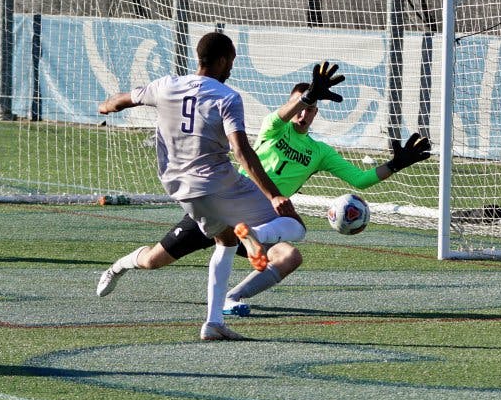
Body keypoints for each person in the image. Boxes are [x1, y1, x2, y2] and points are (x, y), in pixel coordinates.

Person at [96, 78, 433, 316]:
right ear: (293, 105)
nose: (305, 114)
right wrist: (308, 96)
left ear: (316, 115)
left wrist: (396, 163)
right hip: (222, 202)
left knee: (290, 257)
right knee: (154, 260)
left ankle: (232, 297)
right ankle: (118, 266)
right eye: (302, 106)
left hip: (258, 220)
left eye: (312, 109)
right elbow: (282, 114)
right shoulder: (274, 128)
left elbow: (360, 179)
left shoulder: (319, 152)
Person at [96, 32, 343, 341]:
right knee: (295, 226)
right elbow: (242, 151)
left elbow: (125, 99)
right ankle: (255, 236)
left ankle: (213, 323)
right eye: (233, 61)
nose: (232, 68)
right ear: (225, 59)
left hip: (184, 191)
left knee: (224, 243)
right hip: (223, 186)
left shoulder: (166, 85)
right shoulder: (226, 97)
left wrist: (106, 106)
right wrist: (274, 194)